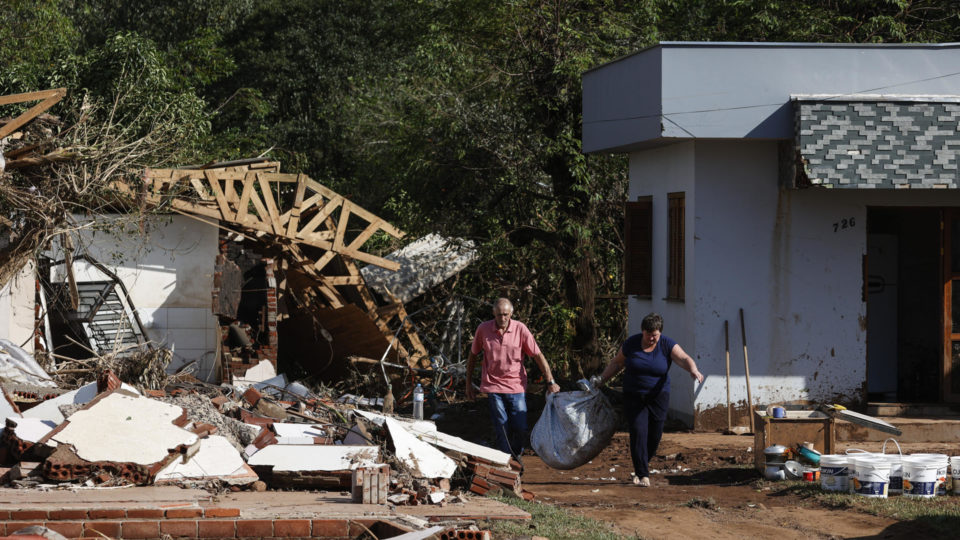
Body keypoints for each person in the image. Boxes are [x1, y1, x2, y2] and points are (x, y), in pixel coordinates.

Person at [597, 312, 703, 487]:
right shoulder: (631, 344)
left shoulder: (667, 344)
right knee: (638, 431)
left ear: (660, 333)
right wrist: (601, 380)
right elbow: (617, 363)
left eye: (655, 335)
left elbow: (683, 358)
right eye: (649, 335)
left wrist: (693, 370)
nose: (652, 339)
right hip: (634, 395)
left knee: (655, 434)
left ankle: (642, 463)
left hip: (658, 396)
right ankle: (642, 474)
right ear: (642, 331)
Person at [466, 298, 560, 461]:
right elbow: (473, 355)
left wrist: (550, 381)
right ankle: (507, 459)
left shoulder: (520, 329)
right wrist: (468, 384)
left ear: (511, 314)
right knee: (501, 424)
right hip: (493, 385)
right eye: (499, 315)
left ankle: (516, 453)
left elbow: (537, 355)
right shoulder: (483, 329)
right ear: (493, 313)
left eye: (506, 315)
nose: (502, 319)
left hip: (516, 385)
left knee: (520, 425)